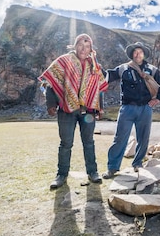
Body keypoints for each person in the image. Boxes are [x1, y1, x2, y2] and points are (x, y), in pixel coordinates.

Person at [39, 34, 108, 189]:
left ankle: (93, 172)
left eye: (87, 46)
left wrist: (99, 107)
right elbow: (51, 82)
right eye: (81, 45)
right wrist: (50, 104)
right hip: (66, 110)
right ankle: (61, 175)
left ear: (91, 49)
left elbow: (98, 88)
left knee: (89, 142)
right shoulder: (64, 61)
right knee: (66, 143)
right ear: (75, 46)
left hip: (88, 110)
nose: (84, 49)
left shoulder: (95, 65)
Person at [102, 42, 160, 178]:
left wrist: (158, 99)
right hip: (127, 108)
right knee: (120, 138)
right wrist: (96, 68)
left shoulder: (152, 69)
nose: (137, 54)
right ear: (132, 54)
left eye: (140, 52)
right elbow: (108, 76)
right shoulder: (123, 68)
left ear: (144, 54)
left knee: (143, 138)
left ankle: (137, 164)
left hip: (145, 108)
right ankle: (112, 168)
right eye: (135, 52)